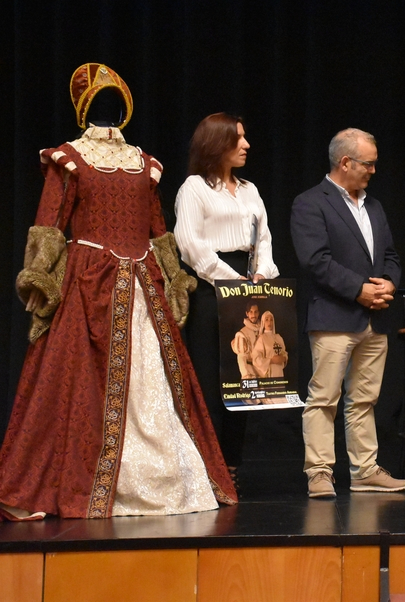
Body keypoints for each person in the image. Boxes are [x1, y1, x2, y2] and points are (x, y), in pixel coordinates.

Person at [0, 63, 236, 520]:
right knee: (74, 384)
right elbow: (50, 224)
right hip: (88, 284)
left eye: (115, 101)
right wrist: (41, 277)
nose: (108, 110)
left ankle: (163, 476)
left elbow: (158, 229)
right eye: (100, 102)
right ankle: (61, 482)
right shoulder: (68, 159)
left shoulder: (145, 165)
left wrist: (173, 279)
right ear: (84, 108)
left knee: (155, 388)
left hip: (144, 283)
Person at [292, 128, 404, 498]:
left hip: (375, 318)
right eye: (367, 164)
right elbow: (315, 261)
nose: (373, 170)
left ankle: (365, 470)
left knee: (365, 399)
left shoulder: (373, 205)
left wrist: (387, 281)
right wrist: (360, 290)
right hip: (334, 317)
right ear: (345, 162)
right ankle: (320, 472)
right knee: (324, 398)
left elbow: (390, 255)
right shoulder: (311, 202)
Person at [174, 113, 280, 483]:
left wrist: (261, 274)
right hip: (212, 289)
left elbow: (264, 238)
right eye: (238, 138)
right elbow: (190, 245)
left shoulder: (250, 189)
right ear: (217, 143)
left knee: (244, 379)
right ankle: (208, 467)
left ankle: (232, 465)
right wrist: (232, 279)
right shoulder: (194, 188)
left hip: (250, 285)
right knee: (210, 380)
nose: (246, 145)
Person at [252, 311, 288, 378]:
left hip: (279, 372)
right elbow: (256, 358)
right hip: (269, 373)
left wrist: (283, 358)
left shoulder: (278, 337)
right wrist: (271, 360)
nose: (269, 322)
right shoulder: (262, 338)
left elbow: (284, 353)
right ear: (263, 322)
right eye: (266, 320)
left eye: (271, 320)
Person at [232, 301, 263, 379]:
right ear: (247, 313)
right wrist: (246, 375)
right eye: (251, 312)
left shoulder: (263, 329)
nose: (253, 315)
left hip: (263, 370)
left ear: (258, 313)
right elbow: (241, 357)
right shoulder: (242, 333)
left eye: (255, 312)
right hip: (250, 372)